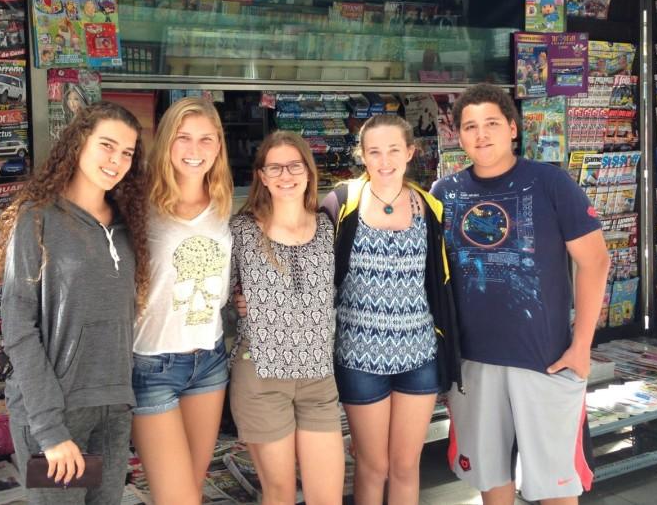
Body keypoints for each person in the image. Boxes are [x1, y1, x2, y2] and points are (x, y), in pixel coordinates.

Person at [430, 83, 610, 505]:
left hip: (544, 360)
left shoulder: (549, 183)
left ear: (513, 127)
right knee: (490, 482)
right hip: (473, 364)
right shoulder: (444, 193)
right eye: (470, 126)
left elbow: (595, 261)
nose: (481, 134)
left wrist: (581, 345)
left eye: (492, 123)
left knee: (556, 485)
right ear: (458, 135)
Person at [0, 101, 149, 503]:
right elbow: (18, 329)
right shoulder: (37, 218)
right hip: (54, 413)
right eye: (107, 145)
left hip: (112, 409)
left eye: (127, 153)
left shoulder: (128, 224)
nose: (116, 160)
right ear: (79, 143)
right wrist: (49, 430)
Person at [321, 114, 461, 505]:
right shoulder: (341, 203)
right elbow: (312, 267)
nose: (385, 160)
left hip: (418, 357)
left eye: (394, 150)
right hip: (359, 358)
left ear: (410, 152)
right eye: (374, 151)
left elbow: (439, 280)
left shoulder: (429, 206)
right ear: (362, 155)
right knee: (372, 466)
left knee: (405, 466)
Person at [230, 131, 344, 505]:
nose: (286, 174)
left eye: (295, 165)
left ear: (308, 172)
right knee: (279, 493)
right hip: (263, 378)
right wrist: (237, 300)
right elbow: (219, 294)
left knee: (327, 495)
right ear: (262, 176)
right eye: (275, 167)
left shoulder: (328, 228)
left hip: (318, 380)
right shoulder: (242, 230)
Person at [131, 96, 233, 504]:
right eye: (184, 138)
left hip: (209, 361)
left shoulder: (224, 203)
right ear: (166, 141)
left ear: (219, 146)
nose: (195, 150)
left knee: (192, 487)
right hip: (153, 364)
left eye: (206, 139)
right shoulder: (137, 201)